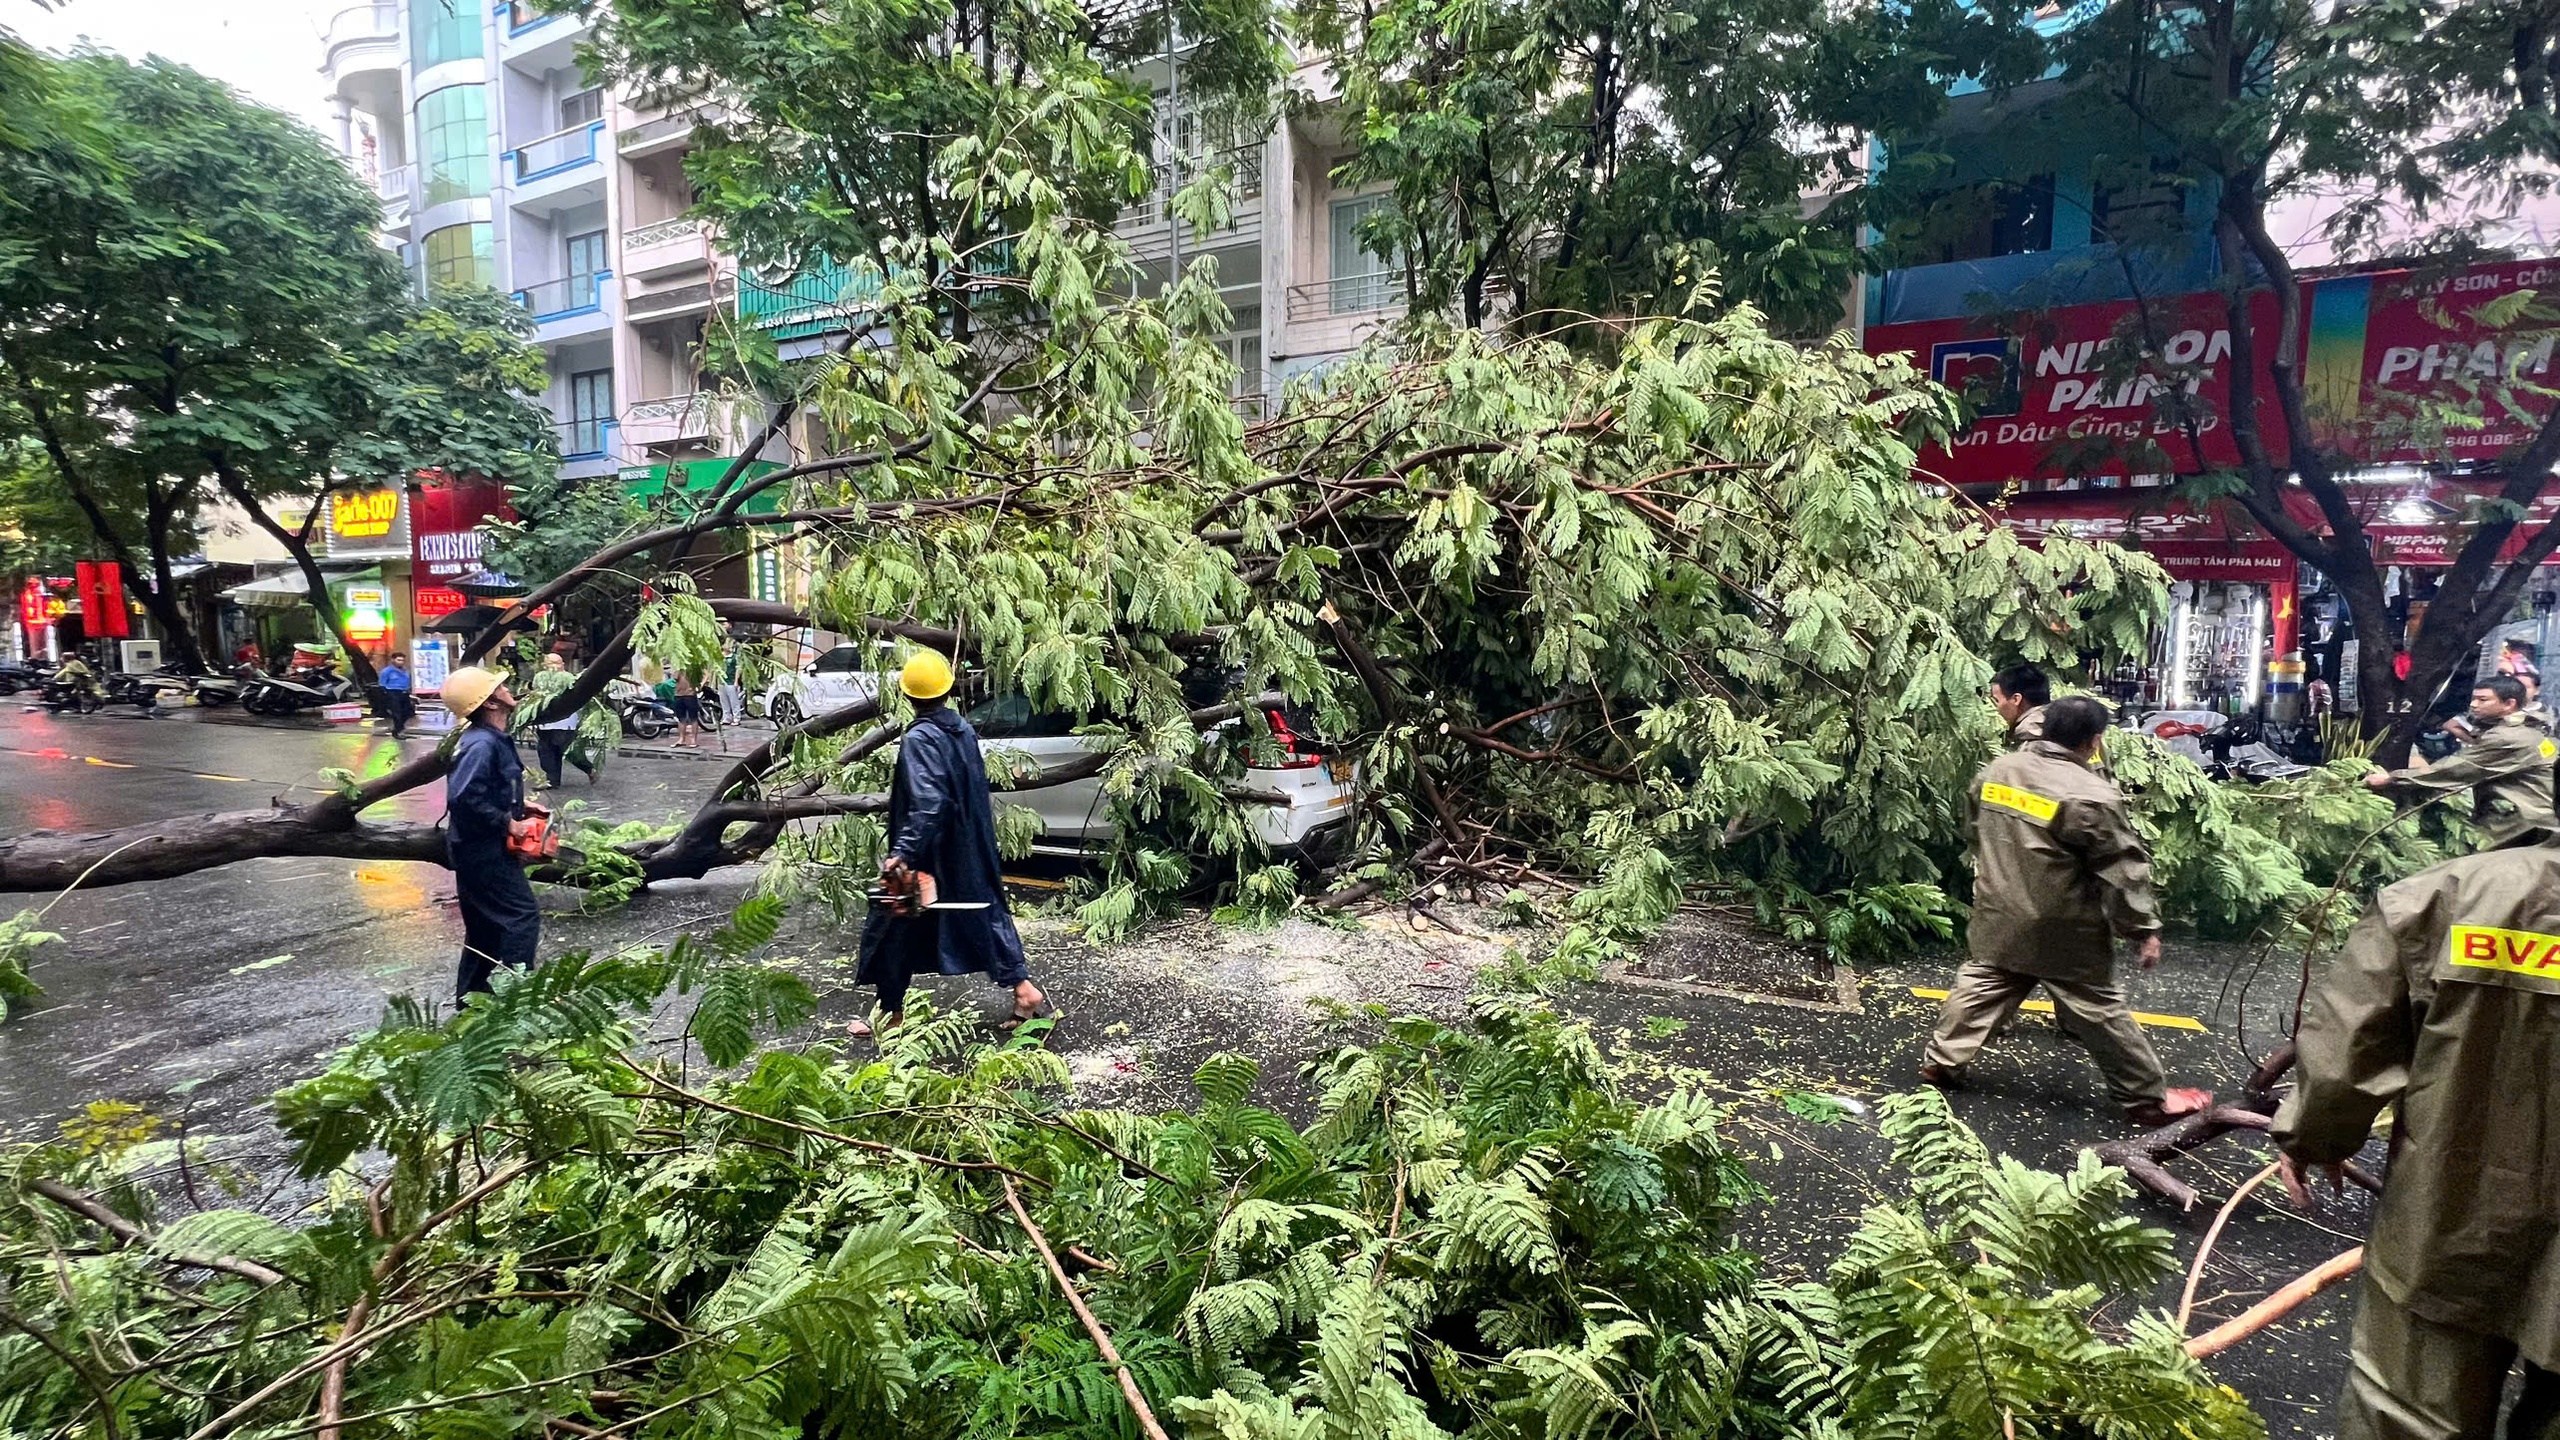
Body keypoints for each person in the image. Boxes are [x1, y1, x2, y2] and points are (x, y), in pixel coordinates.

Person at [2273, 828, 2560, 1439]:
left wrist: (2312, 1140)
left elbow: (2347, 1052)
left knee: (2409, 1415)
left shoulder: (2441, 900)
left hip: (2448, 1219)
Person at [1921, 695, 2214, 1127]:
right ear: (2095, 742)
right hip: (2064, 924)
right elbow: (2122, 870)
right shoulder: (2090, 794)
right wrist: (2143, 929)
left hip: (1999, 908)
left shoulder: (1998, 772)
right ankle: (2145, 1098)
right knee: (2097, 1005)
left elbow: (1974, 829)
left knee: (1985, 979)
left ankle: (1941, 1061)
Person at [852, 650, 1048, 1036]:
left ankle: (890, 1014)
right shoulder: (960, 728)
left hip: (930, 852)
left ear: (907, 696)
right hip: (967, 846)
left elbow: (928, 803)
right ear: (947, 690)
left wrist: (902, 854)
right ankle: (1023, 992)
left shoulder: (921, 738)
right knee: (982, 916)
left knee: (892, 922)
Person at [440, 666, 541, 1007]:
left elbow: (480, 788)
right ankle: (515, 1001)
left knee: (484, 928)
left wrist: (515, 802)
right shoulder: (482, 744)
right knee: (521, 917)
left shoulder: (487, 739)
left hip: (474, 848)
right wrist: (507, 822)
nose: (507, 688)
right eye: (499, 686)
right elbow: (463, 796)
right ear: (490, 702)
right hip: (483, 850)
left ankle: (470, 1003)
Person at [2366, 674, 2557, 849]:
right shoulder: (2532, 727)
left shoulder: (2507, 737)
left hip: (2523, 820)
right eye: (2474, 699)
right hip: (2538, 814)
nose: (2474, 705)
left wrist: (2392, 778)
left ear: (2509, 704)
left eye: (2483, 700)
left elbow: (2456, 770)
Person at [528, 653, 594, 787]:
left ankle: (589, 768)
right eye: (551, 663)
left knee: (568, 751)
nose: (554, 667)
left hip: (565, 722)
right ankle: (551, 780)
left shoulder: (568, 678)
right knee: (546, 752)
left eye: (557, 663)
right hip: (545, 722)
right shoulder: (540, 677)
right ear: (545, 665)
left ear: (563, 665)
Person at [1988, 662, 2051, 748]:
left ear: (2016, 699)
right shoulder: (2059, 721)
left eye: (1996, 701)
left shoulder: (2030, 735)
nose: (1992, 708)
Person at [376, 651, 415, 740]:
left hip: (404, 693)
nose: (400, 662)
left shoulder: (405, 670)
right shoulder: (387, 671)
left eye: (402, 660)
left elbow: (408, 682)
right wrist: (385, 696)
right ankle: (398, 731)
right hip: (392, 692)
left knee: (408, 712)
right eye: (398, 660)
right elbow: (382, 684)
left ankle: (397, 728)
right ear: (393, 660)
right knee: (397, 713)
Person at [671, 670, 703, 750]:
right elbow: (675, 677)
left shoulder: (693, 666)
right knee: (681, 718)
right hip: (678, 694)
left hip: (690, 695)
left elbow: (704, 674)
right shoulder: (678, 667)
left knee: (693, 718)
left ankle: (693, 740)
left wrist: (700, 685)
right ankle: (681, 739)